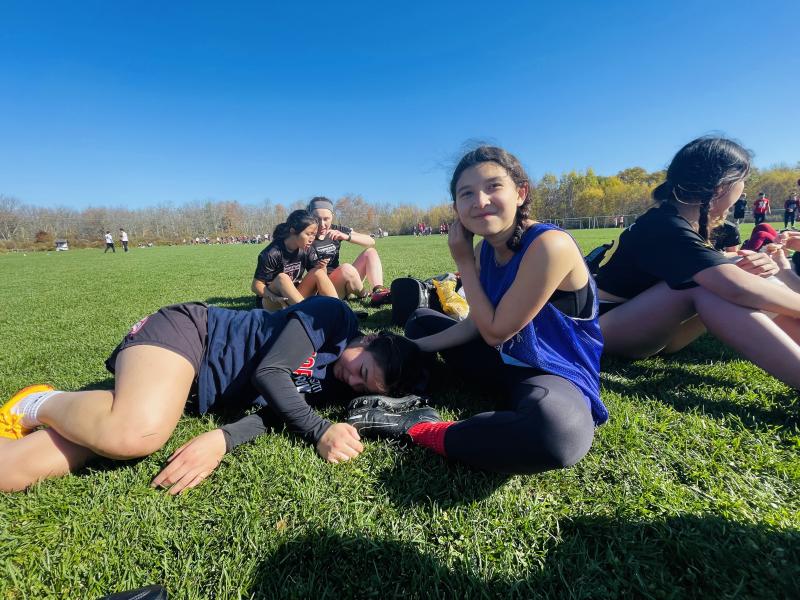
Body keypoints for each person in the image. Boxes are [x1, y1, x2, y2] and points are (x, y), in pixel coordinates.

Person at [347, 146, 607, 475]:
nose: (480, 201)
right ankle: (413, 386)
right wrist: (415, 346)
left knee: (558, 433)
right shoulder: (487, 250)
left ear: (520, 193)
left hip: (551, 373)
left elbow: (497, 330)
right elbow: (477, 325)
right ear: (456, 207)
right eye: (466, 193)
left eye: (493, 187)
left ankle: (416, 426)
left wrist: (464, 263)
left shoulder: (549, 245)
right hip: (500, 362)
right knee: (419, 323)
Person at [0, 297, 423, 492]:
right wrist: (319, 430)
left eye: (364, 388)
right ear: (367, 341)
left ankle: (47, 416)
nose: (353, 381)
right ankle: (38, 401)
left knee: (13, 471)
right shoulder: (332, 318)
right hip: (190, 337)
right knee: (136, 433)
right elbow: (270, 374)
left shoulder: (333, 386)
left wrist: (220, 438)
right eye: (361, 370)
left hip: (182, 391)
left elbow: (279, 409)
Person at [595, 136, 800, 389]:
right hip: (608, 327)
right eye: (742, 181)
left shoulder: (675, 221)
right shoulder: (665, 225)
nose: (743, 189)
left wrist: (748, 262)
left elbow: (726, 274)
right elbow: (734, 287)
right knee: (707, 285)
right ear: (721, 187)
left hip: (649, 323)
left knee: (729, 276)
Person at [306, 197, 391, 306]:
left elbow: (371, 241)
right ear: (310, 217)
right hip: (325, 288)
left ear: (332, 217)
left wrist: (346, 236)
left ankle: (378, 290)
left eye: (326, 219)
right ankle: (365, 294)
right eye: (317, 219)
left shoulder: (336, 230)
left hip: (344, 278)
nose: (322, 224)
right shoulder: (306, 235)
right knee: (346, 269)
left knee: (370, 252)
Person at [251, 209, 337, 311]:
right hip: (273, 302)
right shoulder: (272, 253)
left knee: (318, 272)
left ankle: (339, 311)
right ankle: (308, 315)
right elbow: (256, 286)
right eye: (308, 234)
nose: (312, 238)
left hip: (295, 297)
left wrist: (322, 268)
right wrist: (273, 297)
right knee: (282, 278)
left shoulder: (307, 248)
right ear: (293, 231)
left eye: (314, 234)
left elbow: (319, 277)